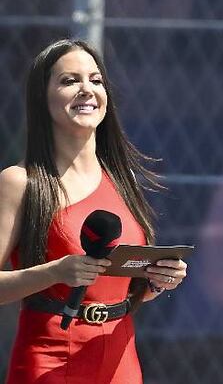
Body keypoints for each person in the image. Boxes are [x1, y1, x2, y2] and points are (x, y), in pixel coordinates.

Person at [0, 39, 187, 383]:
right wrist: (55, 272)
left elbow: (124, 288)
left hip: (121, 360)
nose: (87, 89)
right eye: (69, 80)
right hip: (49, 360)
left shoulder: (123, 179)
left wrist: (158, 281)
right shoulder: (19, 182)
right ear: (42, 98)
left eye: (96, 80)